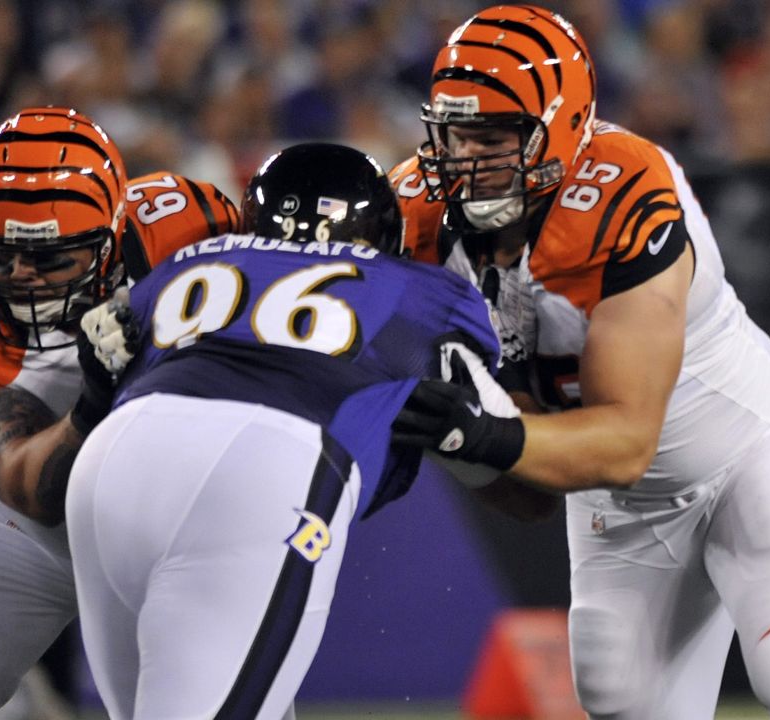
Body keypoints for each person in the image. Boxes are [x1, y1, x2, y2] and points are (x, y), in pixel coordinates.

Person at [387, 6, 770, 718]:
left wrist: (478, 432)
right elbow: (528, 497)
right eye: (454, 134)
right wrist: (457, 439)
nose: (465, 159)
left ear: (562, 125)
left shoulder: (626, 191)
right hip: (622, 509)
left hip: (745, 452)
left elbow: (627, 440)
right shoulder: (417, 215)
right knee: (621, 700)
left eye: (492, 137)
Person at [64, 142, 506, 718]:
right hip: (265, 469)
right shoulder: (423, 290)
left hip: (109, 465)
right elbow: (499, 442)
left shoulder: (189, 261)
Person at [0, 106, 240, 720]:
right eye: (0, 258)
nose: (24, 278)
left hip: (168, 515)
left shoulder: (190, 224)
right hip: (16, 525)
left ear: (112, 236)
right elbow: (31, 489)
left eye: (51, 259)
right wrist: (97, 399)